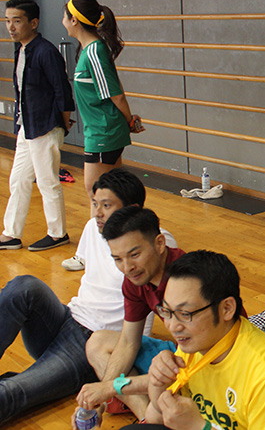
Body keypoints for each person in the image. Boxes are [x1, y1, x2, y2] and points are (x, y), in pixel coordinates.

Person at [0, 168, 176, 424]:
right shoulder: (94, 228)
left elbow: (133, 337)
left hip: (93, 344)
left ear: (133, 210)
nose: (97, 213)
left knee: (12, 392)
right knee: (24, 286)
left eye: (106, 205)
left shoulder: (154, 247)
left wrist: (108, 388)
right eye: (95, 204)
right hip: (67, 320)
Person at [123, 250, 265, 430]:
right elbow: (155, 418)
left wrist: (200, 427)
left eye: (185, 313)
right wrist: (158, 384)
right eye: (167, 311)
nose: (172, 326)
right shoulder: (194, 344)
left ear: (227, 308)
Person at [76, 206, 185, 421]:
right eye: (117, 259)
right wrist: (102, 395)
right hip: (181, 354)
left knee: (169, 402)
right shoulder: (135, 281)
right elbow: (128, 342)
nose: (127, 267)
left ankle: (151, 417)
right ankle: (146, 418)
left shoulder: (187, 281)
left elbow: (196, 360)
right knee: (98, 342)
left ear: (160, 244)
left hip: (209, 363)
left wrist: (111, 388)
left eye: (134, 255)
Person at [0, 0, 75, 252]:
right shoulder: (21, 50)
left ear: (33, 23)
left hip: (45, 127)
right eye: (7, 21)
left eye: (17, 21)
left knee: (47, 181)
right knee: (18, 180)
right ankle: (11, 234)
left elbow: (62, 91)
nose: (11, 27)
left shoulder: (45, 51)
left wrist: (62, 125)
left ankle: (57, 234)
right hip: (27, 126)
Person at [61, 0, 144, 201]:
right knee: (112, 192)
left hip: (103, 132)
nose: (63, 21)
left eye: (64, 16)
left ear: (74, 20)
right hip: (101, 131)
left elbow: (116, 95)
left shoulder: (94, 51)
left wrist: (130, 121)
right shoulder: (90, 50)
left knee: (96, 191)